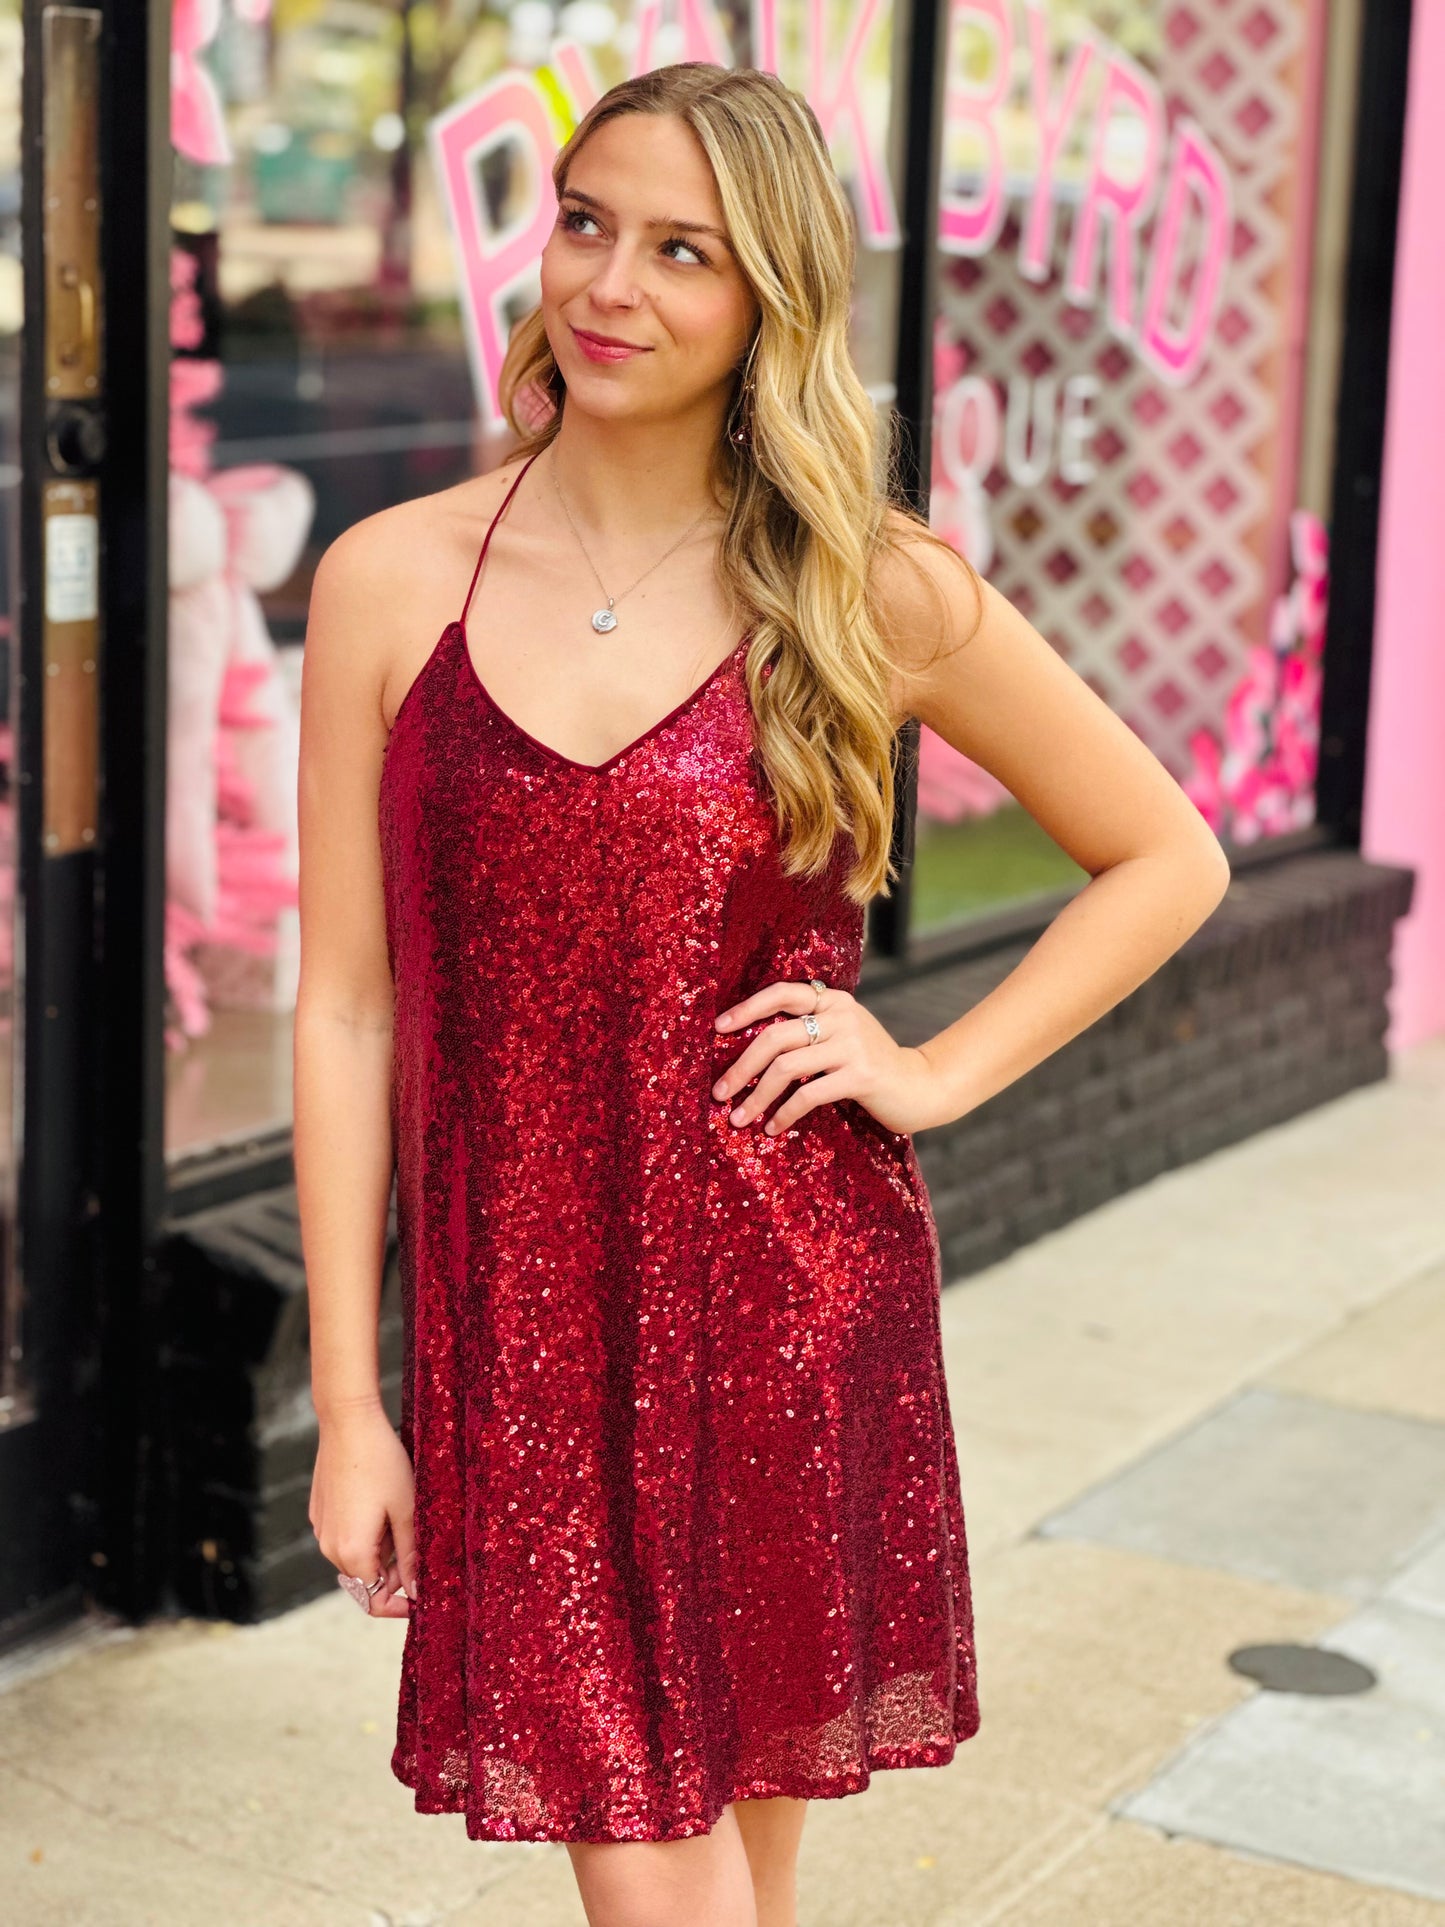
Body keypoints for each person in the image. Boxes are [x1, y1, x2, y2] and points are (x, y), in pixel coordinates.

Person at [296, 61, 1230, 1927]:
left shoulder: (861, 589)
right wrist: (345, 1399)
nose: (607, 287)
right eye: (581, 223)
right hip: (527, 1345)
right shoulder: (387, 581)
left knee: (701, 1875)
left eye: (680, 252)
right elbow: (342, 1007)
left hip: (783, 1301)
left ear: (770, 300)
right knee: (692, 1869)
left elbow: (1167, 856)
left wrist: (934, 1069)